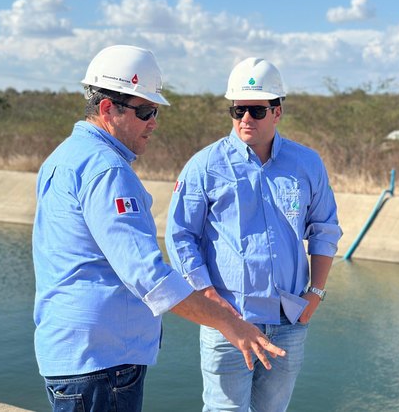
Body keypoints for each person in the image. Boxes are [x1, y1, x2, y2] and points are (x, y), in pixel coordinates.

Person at [31, 45, 285, 412]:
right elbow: (148, 276)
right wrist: (231, 325)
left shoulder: (63, 158)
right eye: (146, 111)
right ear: (107, 109)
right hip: (102, 362)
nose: (154, 122)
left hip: (70, 354)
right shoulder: (108, 171)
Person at [165, 57, 343, 411]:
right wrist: (209, 298)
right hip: (229, 322)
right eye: (238, 109)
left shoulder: (307, 163)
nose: (245, 118)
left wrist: (316, 294)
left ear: (277, 112)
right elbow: (180, 235)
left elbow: (324, 229)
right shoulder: (204, 165)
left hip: (289, 320)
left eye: (256, 111)